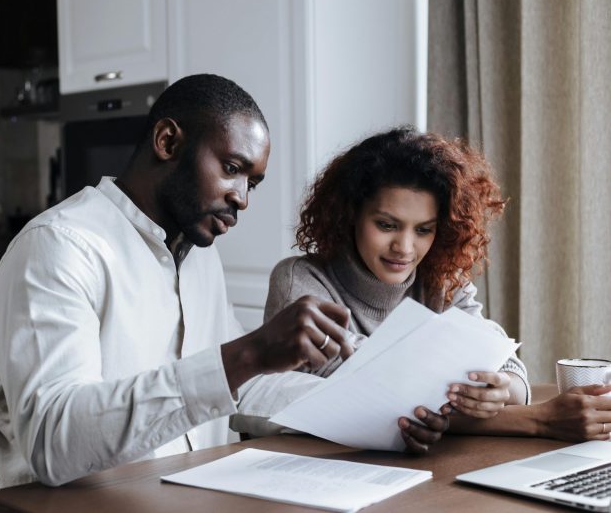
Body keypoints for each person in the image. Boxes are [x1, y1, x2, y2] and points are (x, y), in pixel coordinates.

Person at [0, 74, 355, 487]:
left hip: (192, 496)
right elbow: (54, 442)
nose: (242, 198)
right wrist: (246, 354)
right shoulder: (59, 247)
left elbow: (240, 390)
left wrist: (375, 408)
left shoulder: (199, 259)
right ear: (168, 142)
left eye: (252, 183)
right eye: (232, 168)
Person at [249, 125, 611, 448]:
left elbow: (506, 362)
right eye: (387, 225)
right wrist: (535, 419)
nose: (405, 248)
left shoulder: (440, 279)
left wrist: (501, 387)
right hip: (316, 468)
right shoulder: (301, 281)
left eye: (423, 229)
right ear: (350, 214)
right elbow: (373, 398)